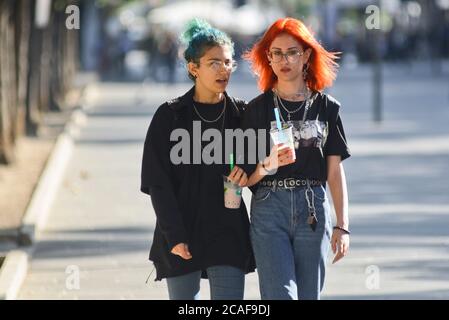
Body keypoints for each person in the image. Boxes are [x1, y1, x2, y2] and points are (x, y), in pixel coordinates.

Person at [140, 19, 255, 300]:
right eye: (214, 62)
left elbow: (259, 167)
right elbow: (158, 184)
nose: (224, 69)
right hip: (182, 232)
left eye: (228, 62)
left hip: (228, 232)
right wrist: (174, 235)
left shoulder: (242, 115)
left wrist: (249, 170)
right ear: (193, 68)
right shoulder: (169, 116)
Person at [241, 17, 351, 300]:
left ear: (306, 56)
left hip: (313, 207)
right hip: (268, 208)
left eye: (291, 52)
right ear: (268, 58)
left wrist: (343, 225)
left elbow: (335, 173)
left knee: (308, 296)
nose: (284, 60)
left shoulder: (327, 108)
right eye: (276, 53)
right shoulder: (256, 110)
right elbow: (244, 178)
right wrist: (268, 164)